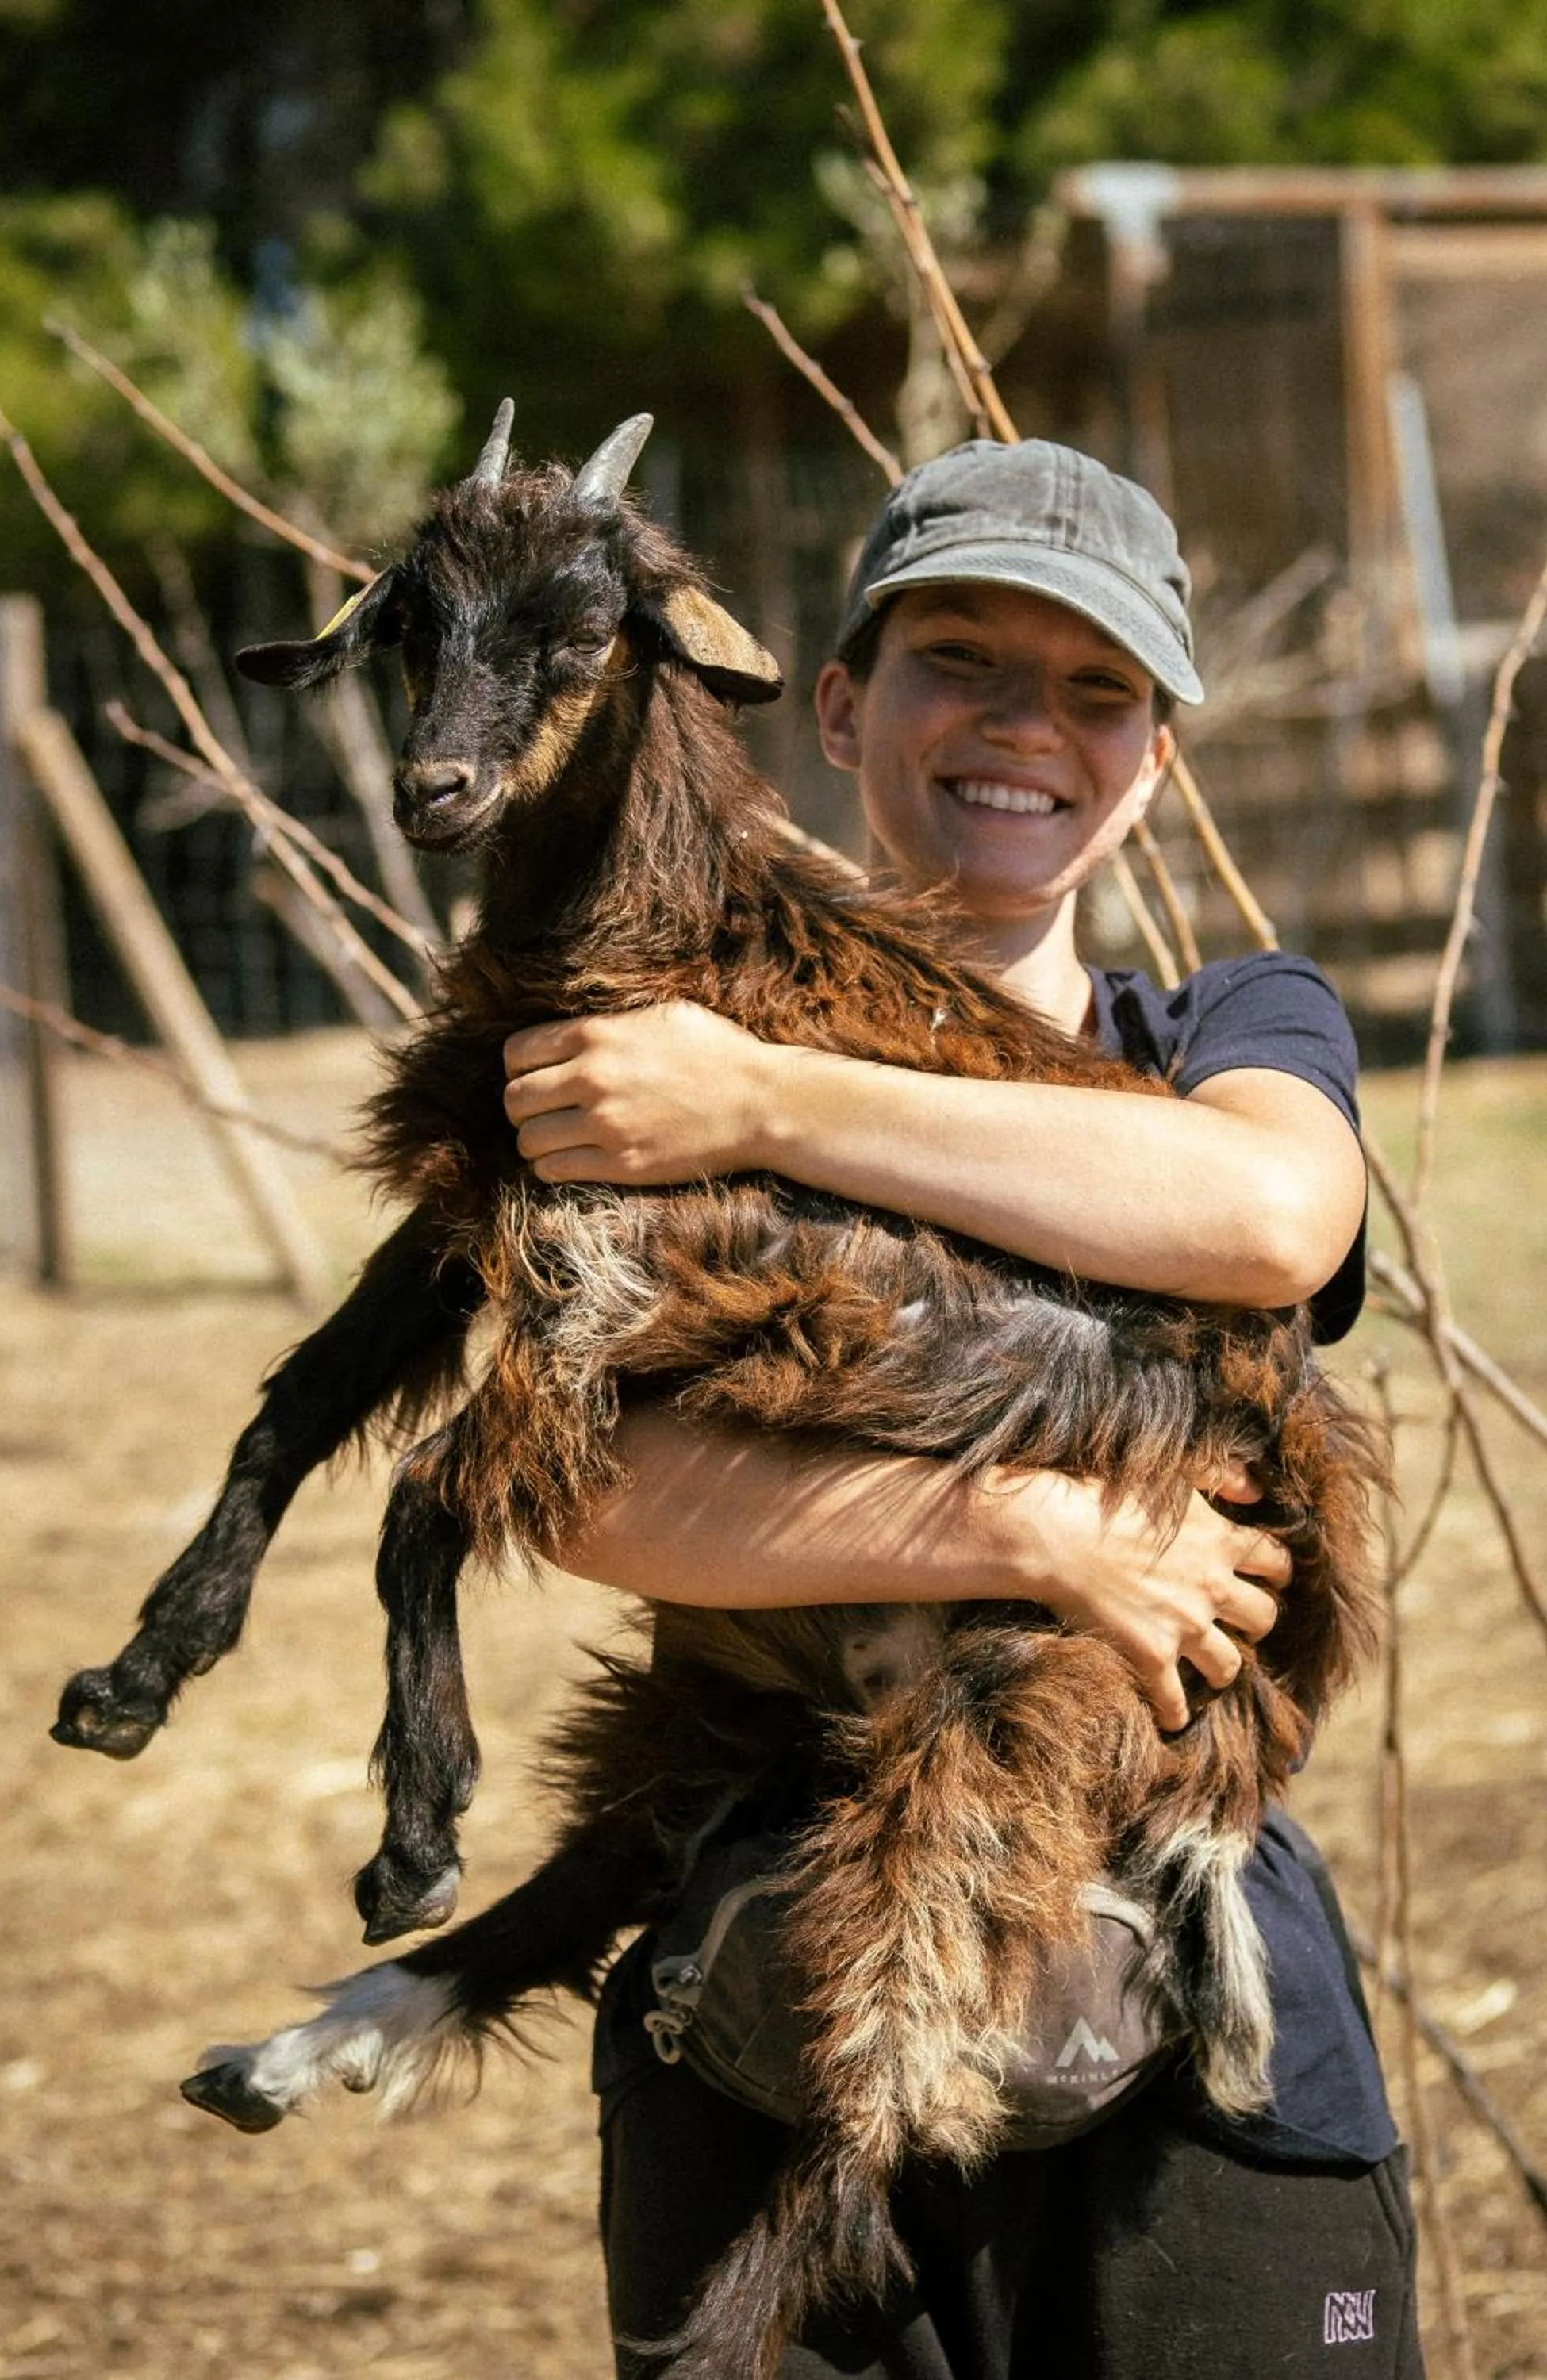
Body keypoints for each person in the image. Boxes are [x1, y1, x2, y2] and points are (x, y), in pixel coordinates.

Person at [499, 440, 1422, 2378]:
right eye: (962, 663)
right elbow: (569, 1481)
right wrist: (1026, 1535)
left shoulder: (1222, 1033)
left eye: (1098, 691)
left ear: (1155, 759)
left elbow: (1264, 1213)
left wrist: (764, 1103)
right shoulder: (658, 1041)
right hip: (770, 1976)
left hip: (1189, 1983)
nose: (1029, 731)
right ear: (838, 705)